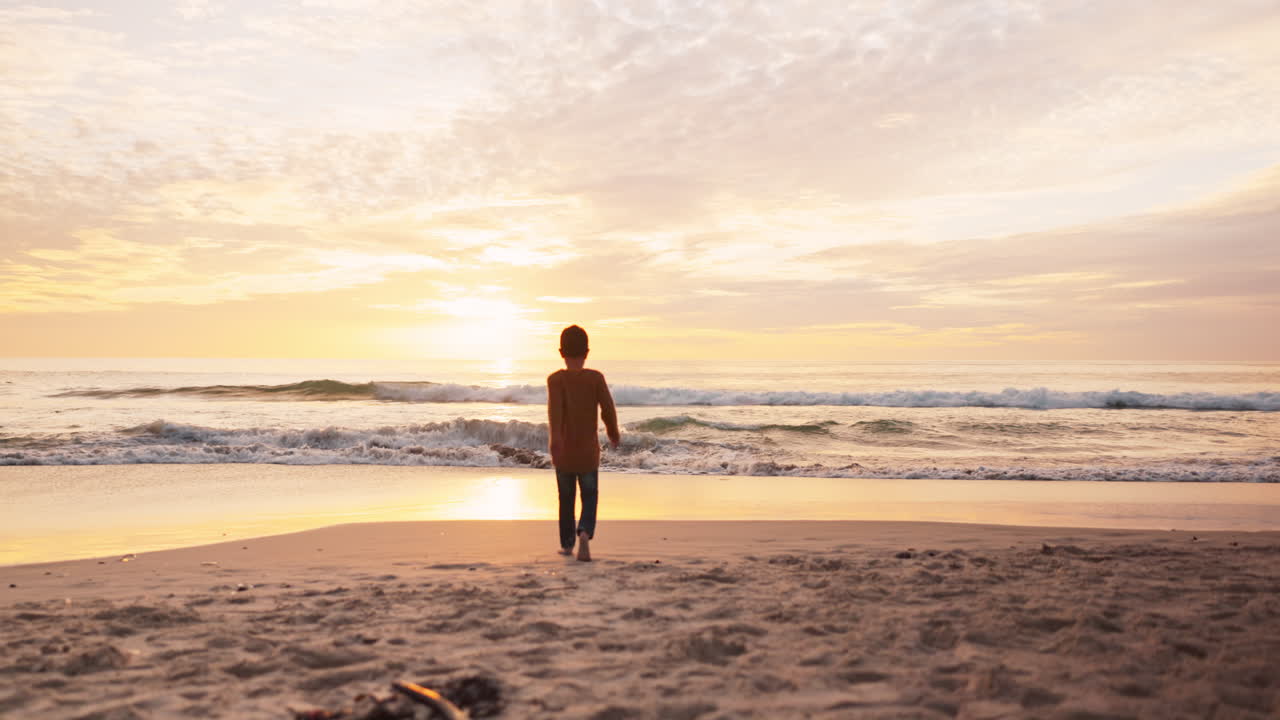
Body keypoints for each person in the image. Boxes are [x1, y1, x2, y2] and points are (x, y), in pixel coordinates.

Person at [547, 325, 620, 561]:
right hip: (588, 453)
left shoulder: (555, 380)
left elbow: (555, 412)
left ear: (561, 352)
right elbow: (608, 409)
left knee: (566, 499)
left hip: (564, 453)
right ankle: (585, 532)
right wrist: (613, 432)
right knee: (589, 495)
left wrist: (555, 440)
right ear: (587, 352)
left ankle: (568, 544)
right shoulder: (595, 378)